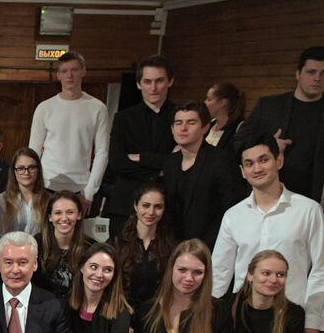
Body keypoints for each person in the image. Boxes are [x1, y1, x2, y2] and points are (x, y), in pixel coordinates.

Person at [212, 136, 324, 333]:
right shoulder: (234, 215)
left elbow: (321, 267)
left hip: (289, 322)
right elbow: (220, 269)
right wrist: (213, 313)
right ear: (242, 171)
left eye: (264, 159)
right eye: (249, 163)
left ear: (279, 160)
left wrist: (313, 319)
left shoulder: (308, 210)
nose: (257, 168)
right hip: (242, 318)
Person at [235, 46, 324, 239]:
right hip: (264, 197)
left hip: (305, 201)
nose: (317, 78)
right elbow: (238, 143)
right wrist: (269, 145)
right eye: (311, 72)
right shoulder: (269, 106)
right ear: (298, 74)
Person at [104, 55, 176, 236]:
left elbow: (179, 162)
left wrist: (141, 158)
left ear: (170, 82)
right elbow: (117, 162)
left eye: (159, 81)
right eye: (147, 81)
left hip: (167, 206)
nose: (153, 88)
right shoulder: (123, 118)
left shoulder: (180, 117)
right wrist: (158, 171)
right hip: (125, 204)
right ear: (138, 84)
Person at [29, 52, 111, 206]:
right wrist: (32, 186)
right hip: (47, 184)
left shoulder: (97, 108)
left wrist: (90, 191)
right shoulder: (45, 107)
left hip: (81, 186)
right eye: (64, 71)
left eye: (74, 70)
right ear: (58, 75)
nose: (70, 75)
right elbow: (33, 151)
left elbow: (102, 152)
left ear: (83, 71)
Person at [163, 102, 236, 248]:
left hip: (211, 246)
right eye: (178, 123)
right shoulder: (170, 162)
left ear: (205, 127)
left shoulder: (221, 159)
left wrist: (204, 246)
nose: (183, 128)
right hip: (175, 246)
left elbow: (229, 208)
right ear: (172, 129)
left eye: (191, 122)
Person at [111, 183, 176, 307]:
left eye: (158, 207)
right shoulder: (117, 243)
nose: (151, 212)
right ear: (136, 206)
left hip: (156, 314)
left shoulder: (171, 247)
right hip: (121, 312)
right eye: (146, 206)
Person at [38, 190, 90, 301]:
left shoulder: (91, 248)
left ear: (79, 215)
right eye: (58, 213)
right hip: (41, 310)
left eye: (70, 212)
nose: (64, 218)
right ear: (50, 217)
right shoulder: (35, 245)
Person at [0, 146, 50, 237]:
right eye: (21, 168)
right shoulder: (2, 199)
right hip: (10, 249)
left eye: (31, 167)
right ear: (14, 171)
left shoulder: (48, 199)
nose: (26, 173)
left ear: (38, 170)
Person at [205, 81, 244, 153]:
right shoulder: (208, 125)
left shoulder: (238, 128)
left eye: (209, 99)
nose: (205, 103)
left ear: (222, 103)